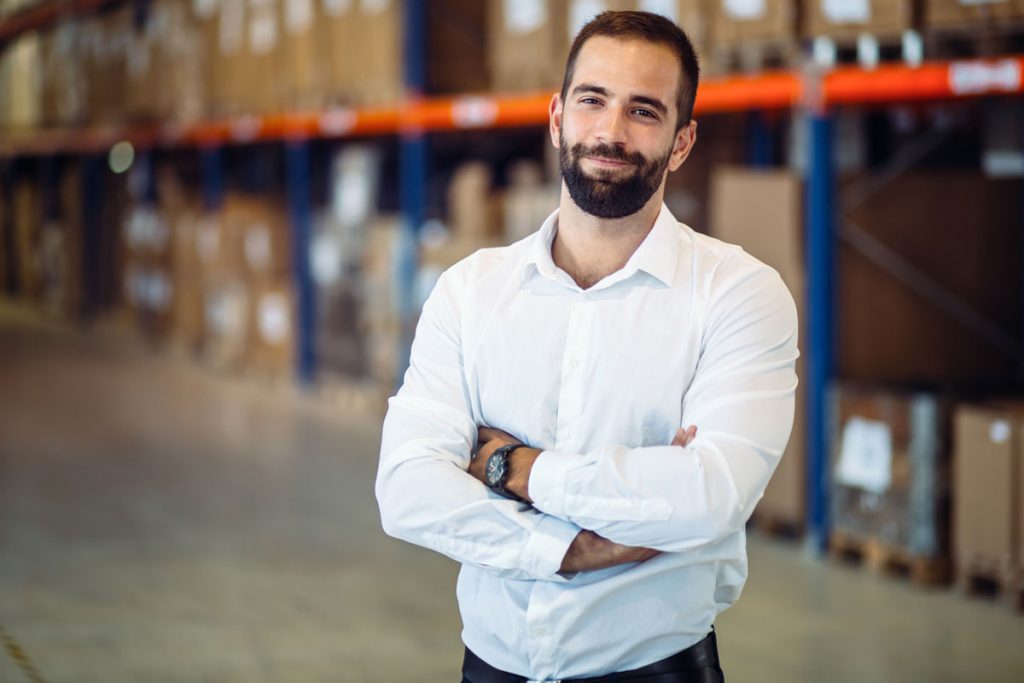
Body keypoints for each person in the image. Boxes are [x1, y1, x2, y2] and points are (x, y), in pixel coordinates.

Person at [376, 10, 798, 683]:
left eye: (644, 111)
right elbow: (404, 489)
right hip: (489, 667)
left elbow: (711, 494)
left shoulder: (738, 294)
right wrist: (568, 547)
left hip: (656, 670)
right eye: (592, 100)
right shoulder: (470, 291)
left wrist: (513, 466)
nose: (610, 131)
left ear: (682, 141)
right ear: (556, 117)